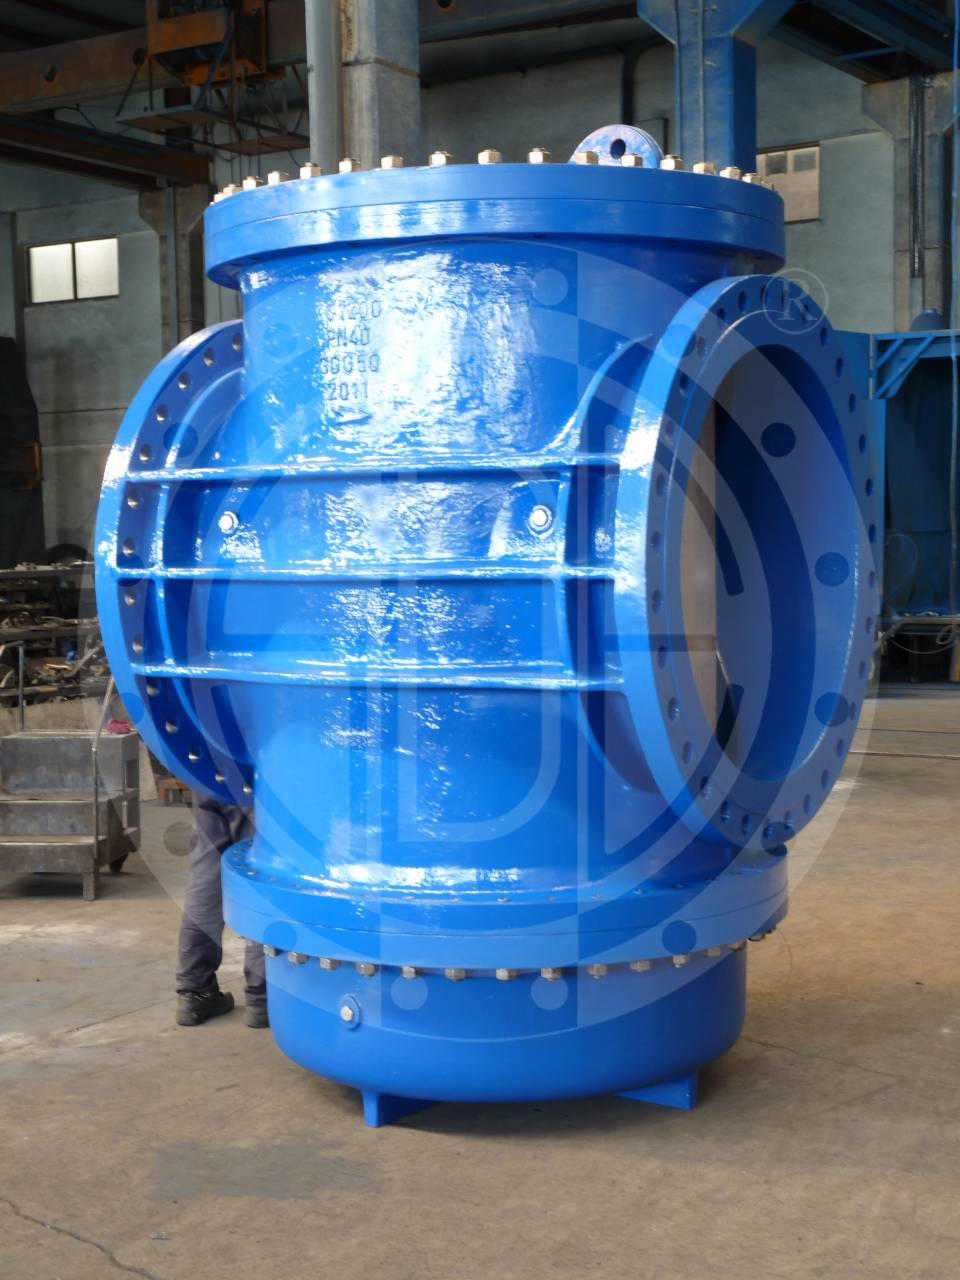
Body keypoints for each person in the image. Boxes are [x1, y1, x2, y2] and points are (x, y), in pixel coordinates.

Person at [174, 795, 268, 1028]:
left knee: (206, 876)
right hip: (258, 782)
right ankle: (263, 999)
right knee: (262, 877)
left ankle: (195, 992)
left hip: (210, 780)